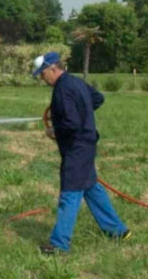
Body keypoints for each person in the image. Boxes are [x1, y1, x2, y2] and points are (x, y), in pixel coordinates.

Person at [32, 52, 130, 255]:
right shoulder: (75, 82)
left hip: (76, 148)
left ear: (53, 68)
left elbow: (71, 123)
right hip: (87, 144)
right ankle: (117, 230)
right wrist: (83, 111)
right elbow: (97, 99)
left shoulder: (61, 90)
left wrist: (54, 131)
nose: (43, 79)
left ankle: (59, 245)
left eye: (43, 74)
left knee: (70, 193)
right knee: (91, 188)